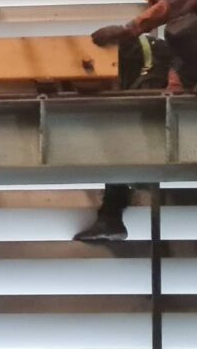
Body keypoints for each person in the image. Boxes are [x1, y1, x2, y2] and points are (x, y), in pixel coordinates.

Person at [73, 33, 172, 242]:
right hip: (149, 131)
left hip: (154, 130)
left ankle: (111, 217)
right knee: (117, 148)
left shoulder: (146, 56)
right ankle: (110, 217)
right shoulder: (141, 53)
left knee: (118, 145)